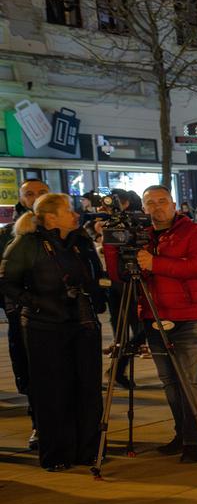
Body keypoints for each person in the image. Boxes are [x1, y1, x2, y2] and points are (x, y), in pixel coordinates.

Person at [105, 186, 197, 461]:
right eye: (150, 203)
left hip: (188, 315)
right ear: (143, 207)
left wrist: (156, 263)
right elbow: (118, 275)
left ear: (174, 204)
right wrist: (112, 243)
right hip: (153, 314)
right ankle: (182, 433)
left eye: (162, 201)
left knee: (188, 382)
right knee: (169, 382)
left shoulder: (194, 231)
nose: (157, 207)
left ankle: (193, 441)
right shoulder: (142, 236)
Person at [1, 193, 105, 470]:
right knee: (52, 391)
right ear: (50, 218)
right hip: (43, 327)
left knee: (87, 388)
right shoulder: (26, 244)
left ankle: (88, 450)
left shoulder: (79, 241)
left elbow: (94, 275)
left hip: (81, 324)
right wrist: (38, 303)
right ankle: (57, 454)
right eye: (69, 210)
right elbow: (8, 283)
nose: (75, 215)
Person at [0, 178, 49, 448]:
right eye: (29, 194)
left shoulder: (66, 228)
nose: (35, 198)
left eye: (41, 193)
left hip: (61, 316)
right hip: (23, 315)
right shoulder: (10, 233)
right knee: (30, 371)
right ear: (22, 199)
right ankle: (38, 423)